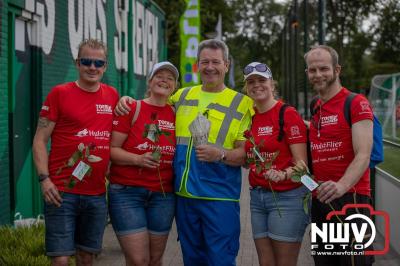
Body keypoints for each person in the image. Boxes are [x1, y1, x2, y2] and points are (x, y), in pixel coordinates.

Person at [115, 39, 254, 265]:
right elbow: (153, 102)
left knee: (220, 260)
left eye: (216, 62)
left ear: (226, 65)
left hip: (219, 198)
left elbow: (245, 154)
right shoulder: (181, 96)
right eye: (205, 62)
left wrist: (221, 154)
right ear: (197, 66)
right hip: (184, 197)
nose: (210, 67)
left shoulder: (242, 103)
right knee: (192, 260)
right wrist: (126, 99)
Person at [32, 39, 119, 266]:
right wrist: (44, 180)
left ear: (105, 66)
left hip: (97, 193)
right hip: (61, 192)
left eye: (98, 62)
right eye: (86, 61)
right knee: (60, 259)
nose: (93, 67)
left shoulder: (112, 96)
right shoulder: (59, 93)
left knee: (86, 257)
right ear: (77, 63)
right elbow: (40, 140)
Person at [305, 45, 374, 266]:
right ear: (307, 73)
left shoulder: (356, 102)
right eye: (312, 70)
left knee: (354, 262)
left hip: (350, 198)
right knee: (325, 262)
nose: (318, 75)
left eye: (323, 69)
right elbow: (318, 133)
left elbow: (363, 154)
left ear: (337, 70)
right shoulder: (315, 105)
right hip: (320, 200)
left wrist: (341, 186)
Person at [108, 62, 178, 266]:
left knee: (155, 260)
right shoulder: (131, 107)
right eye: (159, 75)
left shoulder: (176, 114)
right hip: (127, 192)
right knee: (139, 260)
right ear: (149, 81)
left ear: (174, 87)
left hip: (163, 195)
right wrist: (137, 159)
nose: (164, 79)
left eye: (170, 78)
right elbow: (112, 150)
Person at [242, 62, 310, 266]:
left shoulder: (287, 114)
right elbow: (248, 158)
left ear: (272, 84)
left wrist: (282, 174)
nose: (256, 85)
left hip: (288, 197)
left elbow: (302, 166)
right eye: (251, 82)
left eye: (262, 80)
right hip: (257, 197)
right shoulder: (248, 118)